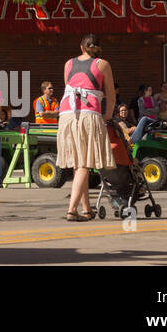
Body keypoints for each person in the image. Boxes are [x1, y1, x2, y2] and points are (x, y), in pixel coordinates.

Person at [57, 35, 115, 222]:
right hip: (88, 114)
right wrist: (107, 115)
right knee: (84, 164)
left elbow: (69, 86)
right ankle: (72, 210)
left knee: (78, 164)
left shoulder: (68, 63)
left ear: (81, 47)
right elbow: (111, 96)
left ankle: (87, 210)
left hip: (67, 114)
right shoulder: (102, 64)